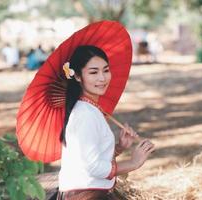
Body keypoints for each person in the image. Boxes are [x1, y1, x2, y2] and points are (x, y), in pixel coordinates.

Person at [57, 45, 155, 200]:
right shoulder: (85, 114)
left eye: (106, 70)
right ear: (77, 76)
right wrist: (133, 163)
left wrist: (120, 147)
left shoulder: (90, 109)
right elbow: (93, 167)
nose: (102, 78)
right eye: (93, 72)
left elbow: (91, 156)